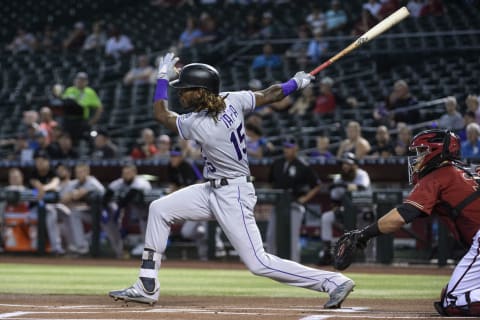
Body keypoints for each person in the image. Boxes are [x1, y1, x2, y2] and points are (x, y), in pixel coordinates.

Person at [109, 52, 355, 308]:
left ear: (201, 92)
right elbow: (270, 94)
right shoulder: (232, 99)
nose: (180, 94)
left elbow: (161, 114)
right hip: (212, 188)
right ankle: (147, 284)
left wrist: (161, 77)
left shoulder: (201, 125)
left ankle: (332, 282)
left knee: (259, 263)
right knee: (159, 209)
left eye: (185, 90)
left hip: (232, 194)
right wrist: (294, 83)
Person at [337, 129, 480, 317]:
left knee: (452, 301)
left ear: (436, 151)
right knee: (452, 294)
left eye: (422, 152)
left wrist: (364, 234)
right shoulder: (470, 170)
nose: (417, 158)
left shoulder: (437, 175)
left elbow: (402, 215)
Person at [266, 137, 321, 263]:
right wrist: (273, 196)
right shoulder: (277, 163)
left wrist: (304, 198)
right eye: (285, 147)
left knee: (293, 237)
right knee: (271, 236)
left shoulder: (303, 165)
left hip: (294, 204)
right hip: (279, 205)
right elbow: (270, 182)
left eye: (289, 147)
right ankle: (268, 264)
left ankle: (295, 264)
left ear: (296, 148)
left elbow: (317, 185)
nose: (287, 150)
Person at [319, 152, 371, 265]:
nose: (345, 166)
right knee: (326, 217)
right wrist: (335, 209)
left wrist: (343, 186)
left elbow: (362, 187)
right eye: (344, 164)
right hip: (346, 211)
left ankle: (368, 259)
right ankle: (327, 251)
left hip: (364, 210)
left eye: (348, 164)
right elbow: (334, 200)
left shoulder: (361, 174)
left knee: (365, 234)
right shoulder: (340, 178)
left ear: (355, 165)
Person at [103, 164, 152, 258]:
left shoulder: (140, 182)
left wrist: (118, 210)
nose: (126, 175)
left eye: (129, 173)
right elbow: (106, 196)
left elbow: (130, 196)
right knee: (111, 218)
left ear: (134, 173)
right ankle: (120, 251)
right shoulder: (119, 182)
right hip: (134, 210)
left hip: (147, 209)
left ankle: (152, 251)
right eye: (124, 173)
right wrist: (106, 211)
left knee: (146, 224)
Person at [61, 72, 104, 144]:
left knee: (81, 141)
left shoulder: (90, 92)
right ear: (75, 80)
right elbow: (63, 103)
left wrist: (93, 121)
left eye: (83, 80)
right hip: (68, 120)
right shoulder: (69, 90)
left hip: (81, 121)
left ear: (86, 82)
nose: (80, 81)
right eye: (78, 79)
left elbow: (99, 107)